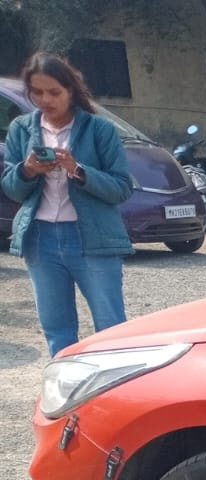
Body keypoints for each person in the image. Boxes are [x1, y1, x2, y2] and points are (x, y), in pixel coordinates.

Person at [1, 52, 134, 357]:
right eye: (36, 92)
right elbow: (11, 188)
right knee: (57, 330)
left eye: (54, 92)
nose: (45, 99)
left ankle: (115, 397)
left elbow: (122, 188)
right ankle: (68, 399)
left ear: (71, 90)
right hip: (40, 239)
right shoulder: (22, 129)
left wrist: (78, 170)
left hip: (92, 239)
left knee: (111, 328)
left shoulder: (100, 130)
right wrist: (27, 171)